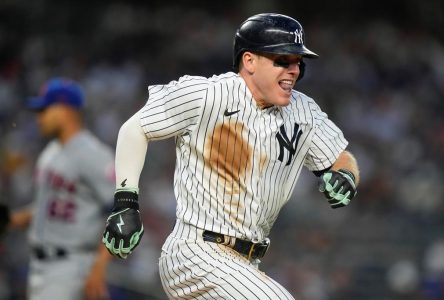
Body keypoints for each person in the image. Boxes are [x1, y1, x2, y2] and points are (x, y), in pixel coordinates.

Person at [102, 13, 360, 299]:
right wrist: (126, 202)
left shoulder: (304, 111)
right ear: (249, 61)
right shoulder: (208, 95)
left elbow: (341, 158)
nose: (294, 70)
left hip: (246, 263)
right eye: (282, 61)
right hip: (195, 253)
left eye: (297, 62)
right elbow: (135, 128)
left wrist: (346, 174)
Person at [1, 78, 115, 300]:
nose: (38, 118)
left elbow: (123, 211)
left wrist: (100, 266)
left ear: (65, 111)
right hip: (40, 266)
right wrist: (11, 220)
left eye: (44, 110)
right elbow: (49, 207)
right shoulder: (50, 152)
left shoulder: (93, 154)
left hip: (72, 266)